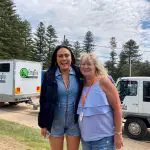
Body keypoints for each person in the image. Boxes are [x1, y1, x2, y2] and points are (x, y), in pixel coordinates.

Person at [38, 45, 83, 150]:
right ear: (56, 59)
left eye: (66, 55)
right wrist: (43, 124)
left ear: (71, 57)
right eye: (60, 56)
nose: (64, 59)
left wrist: (107, 78)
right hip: (55, 123)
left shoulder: (79, 73)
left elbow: (93, 76)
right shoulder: (49, 75)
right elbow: (43, 100)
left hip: (74, 123)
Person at [77, 52, 123, 150]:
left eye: (89, 64)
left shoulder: (103, 81)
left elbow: (118, 108)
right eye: (83, 64)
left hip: (104, 140)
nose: (85, 66)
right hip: (85, 140)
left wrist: (118, 134)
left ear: (95, 66)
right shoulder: (81, 84)